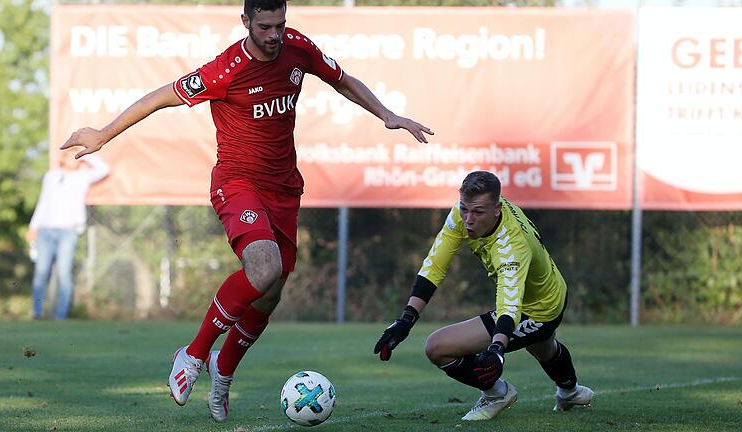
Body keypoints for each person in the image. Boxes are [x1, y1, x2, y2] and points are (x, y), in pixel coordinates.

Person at [60, 0, 433, 423]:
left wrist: (386, 114)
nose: (275, 35)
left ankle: (223, 371)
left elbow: (342, 80)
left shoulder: (297, 47)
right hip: (237, 183)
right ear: (246, 22)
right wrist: (104, 134)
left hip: (284, 190)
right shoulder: (227, 69)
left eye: (280, 25)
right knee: (263, 267)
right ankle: (195, 354)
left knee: (270, 293)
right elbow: (161, 96)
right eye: (265, 27)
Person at [374, 170, 594, 421]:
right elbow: (435, 265)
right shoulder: (464, 213)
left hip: (539, 308)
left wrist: (497, 349)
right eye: (464, 208)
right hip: (550, 290)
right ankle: (570, 391)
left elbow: (509, 307)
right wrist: (406, 319)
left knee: (437, 347)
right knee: (543, 348)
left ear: (497, 209)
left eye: (477, 212)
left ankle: (497, 393)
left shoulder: (511, 246)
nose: (468, 219)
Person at [27, 151, 109, 320]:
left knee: (64, 273)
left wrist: (84, 155)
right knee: (41, 272)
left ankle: (60, 315)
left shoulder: (82, 177)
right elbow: (43, 202)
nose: (74, 159)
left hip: (68, 231)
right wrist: (33, 226)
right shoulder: (51, 176)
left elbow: (104, 169)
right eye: (71, 156)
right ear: (62, 159)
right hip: (46, 230)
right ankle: (37, 312)